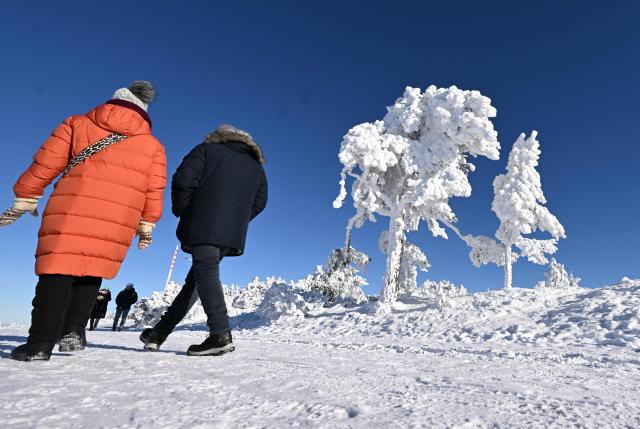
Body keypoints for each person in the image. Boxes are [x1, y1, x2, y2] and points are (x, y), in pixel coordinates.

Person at [2, 81, 167, 361]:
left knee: (57, 268)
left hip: (71, 206)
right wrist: (147, 222)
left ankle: (40, 343)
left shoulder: (77, 124)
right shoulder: (153, 146)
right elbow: (154, 189)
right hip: (119, 218)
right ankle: (73, 332)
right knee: (92, 270)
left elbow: (46, 162)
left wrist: (27, 193)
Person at [140, 124, 268, 356]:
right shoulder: (256, 167)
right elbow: (260, 201)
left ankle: (220, 333)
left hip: (204, 224)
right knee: (196, 281)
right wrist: (236, 220)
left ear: (219, 137)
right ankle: (158, 334)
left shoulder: (207, 150)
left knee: (205, 273)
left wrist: (185, 210)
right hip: (230, 233)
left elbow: (182, 180)